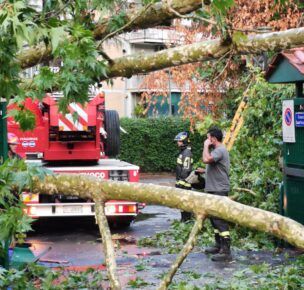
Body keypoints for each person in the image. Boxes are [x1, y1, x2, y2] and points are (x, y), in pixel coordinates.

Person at [202, 127, 232, 262]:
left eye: (208, 138)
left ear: (213, 138)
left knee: (219, 219)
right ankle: (218, 245)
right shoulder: (217, 151)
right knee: (214, 219)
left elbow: (206, 159)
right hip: (213, 189)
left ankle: (226, 251)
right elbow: (212, 165)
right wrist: (203, 171)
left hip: (219, 189)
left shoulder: (220, 150)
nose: (207, 140)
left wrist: (205, 146)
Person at [174, 131, 193, 222]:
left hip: (185, 184)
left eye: (179, 141)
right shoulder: (183, 152)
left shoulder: (186, 153)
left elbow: (186, 169)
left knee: (186, 204)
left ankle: (187, 221)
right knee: (182, 204)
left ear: (184, 142)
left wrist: (180, 183)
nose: (178, 143)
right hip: (181, 182)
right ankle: (183, 220)